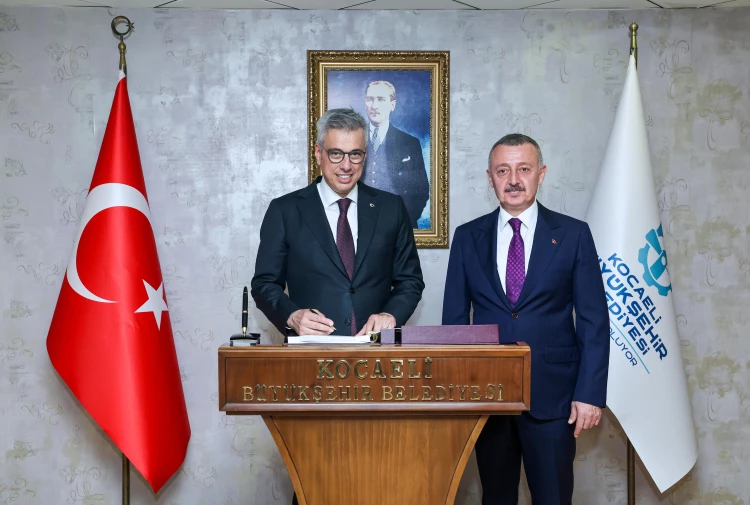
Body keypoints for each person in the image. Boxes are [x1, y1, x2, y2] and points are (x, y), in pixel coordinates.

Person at [441, 134, 609, 505]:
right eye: (503, 171)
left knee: (553, 497)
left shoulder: (573, 235)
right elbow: (454, 323)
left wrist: (589, 395)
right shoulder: (467, 237)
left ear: (541, 174)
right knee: (496, 497)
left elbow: (594, 321)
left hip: (555, 400)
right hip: (488, 397)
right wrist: (457, 395)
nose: (514, 180)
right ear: (490, 178)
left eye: (524, 169)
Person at [251, 107, 424, 339]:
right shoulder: (284, 211)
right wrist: (292, 316)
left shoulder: (391, 208)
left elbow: (410, 281)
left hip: (377, 350)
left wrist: (390, 315)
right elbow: (264, 284)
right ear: (318, 153)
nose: (346, 165)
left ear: (365, 155)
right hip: (311, 351)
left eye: (355, 154)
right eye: (336, 154)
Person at [363, 80, 429, 228]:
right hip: (360, 226)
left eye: (381, 99)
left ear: (392, 105)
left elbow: (421, 190)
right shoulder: (352, 140)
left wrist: (404, 221)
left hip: (399, 226)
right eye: (370, 99)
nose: (374, 106)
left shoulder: (409, 143)